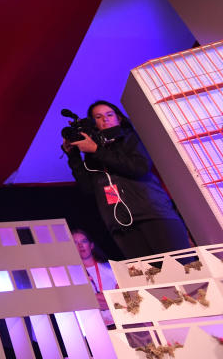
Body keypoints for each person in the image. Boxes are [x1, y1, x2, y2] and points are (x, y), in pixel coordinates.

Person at [64, 100, 190, 259]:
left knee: (182, 267)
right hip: (121, 223)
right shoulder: (93, 153)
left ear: (119, 118)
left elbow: (139, 168)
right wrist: (73, 156)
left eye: (109, 115)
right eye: (98, 117)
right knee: (151, 276)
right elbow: (89, 188)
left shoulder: (131, 138)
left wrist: (97, 150)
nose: (105, 119)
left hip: (153, 214)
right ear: (92, 123)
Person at [72, 229, 117, 326]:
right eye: (75, 243)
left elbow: (122, 294)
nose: (80, 246)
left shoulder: (109, 267)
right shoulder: (72, 275)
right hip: (93, 325)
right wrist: (107, 300)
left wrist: (97, 299)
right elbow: (80, 302)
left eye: (84, 241)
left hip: (119, 319)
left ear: (91, 245)